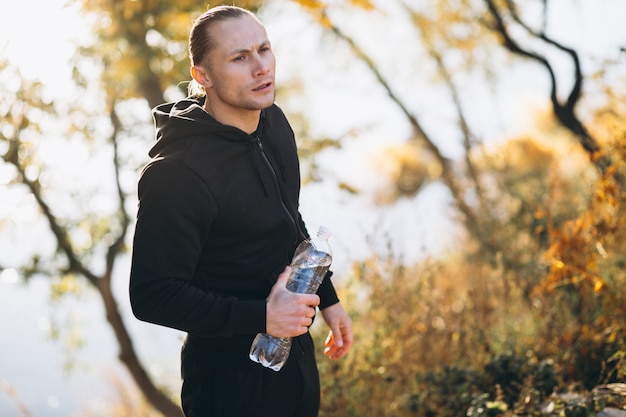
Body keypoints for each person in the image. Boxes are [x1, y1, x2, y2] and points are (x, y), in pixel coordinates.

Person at [129, 5, 353, 417]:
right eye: (240, 57)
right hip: (230, 385)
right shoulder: (176, 174)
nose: (261, 68)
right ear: (203, 76)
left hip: (295, 360)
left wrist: (327, 296)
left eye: (263, 50)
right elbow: (152, 295)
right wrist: (263, 316)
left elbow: (286, 219)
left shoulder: (272, 122)